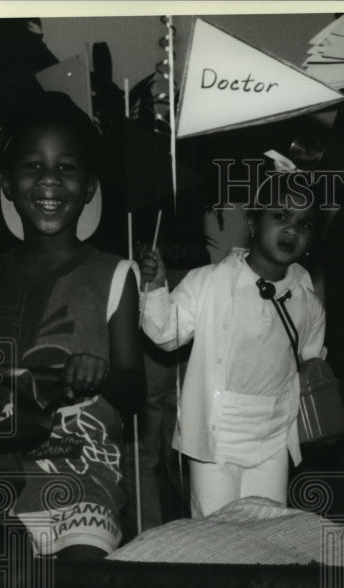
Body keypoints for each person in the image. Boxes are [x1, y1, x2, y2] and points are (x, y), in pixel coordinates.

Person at [0, 91, 145, 558]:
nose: (49, 180)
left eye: (66, 168)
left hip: (86, 480)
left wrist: (104, 373)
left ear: (90, 187)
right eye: (32, 166)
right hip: (6, 480)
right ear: (7, 184)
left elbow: (134, 389)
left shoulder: (115, 274)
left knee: (81, 583)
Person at [139, 170, 326, 517]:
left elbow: (310, 364)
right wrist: (155, 287)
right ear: (253, 222)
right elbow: (165, 334)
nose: (291, 230)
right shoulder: (209, 281)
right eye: (280, 215)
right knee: (217, 536)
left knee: (267, 537)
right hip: (216, 438)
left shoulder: (308, 302)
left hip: (272, 437)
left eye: (305, 225)